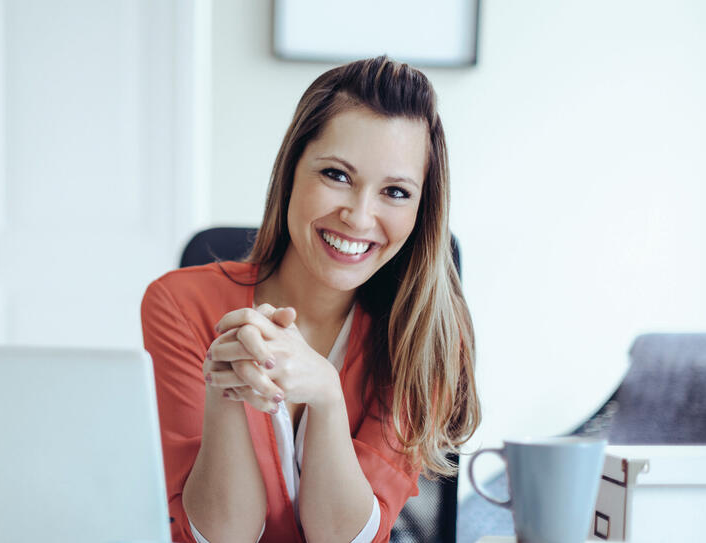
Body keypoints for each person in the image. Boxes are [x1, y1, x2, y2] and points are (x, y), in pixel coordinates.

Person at [141, 56, 480, 543]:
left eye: (396, 192)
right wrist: (225, 387)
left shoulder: (428, 337)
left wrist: (325, 393)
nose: (360, 218)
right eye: (337, 176)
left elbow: (344, 538)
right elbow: (220, 537)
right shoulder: (179, 304)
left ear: (421, 210)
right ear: (292, 170)